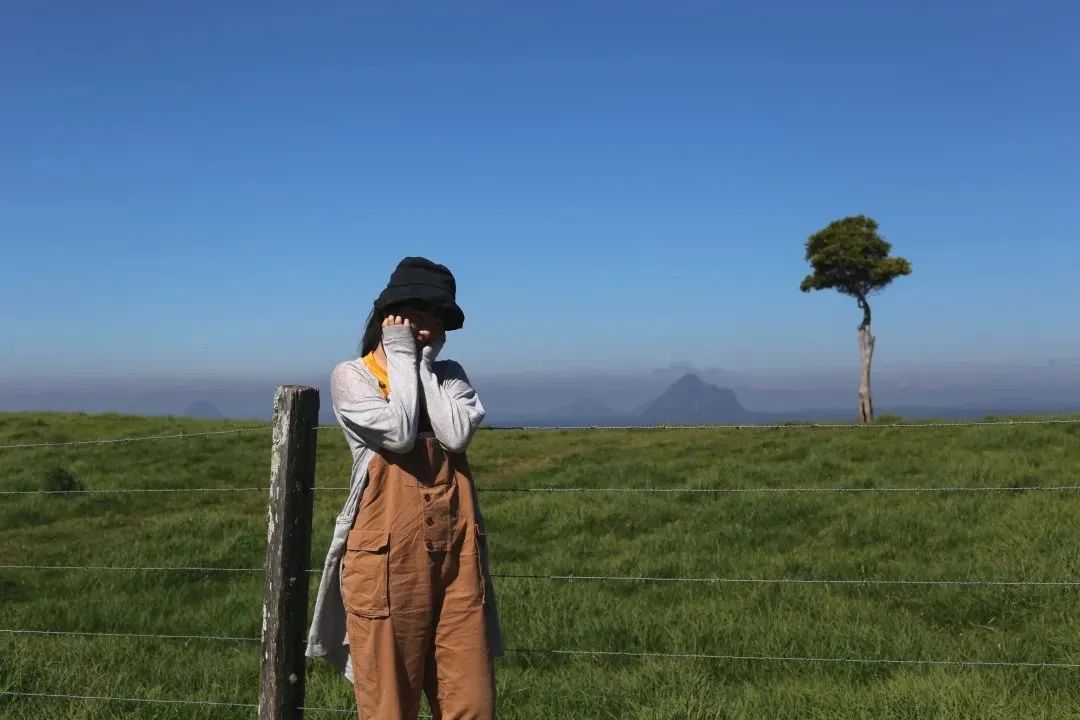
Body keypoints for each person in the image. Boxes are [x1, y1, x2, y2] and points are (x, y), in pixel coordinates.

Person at [306, 257, 502, 720]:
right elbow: (398, 431)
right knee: (390, 704)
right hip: (386, 560)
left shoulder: (450, 374)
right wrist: (399, 356)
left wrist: (424, 367)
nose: (428, 324)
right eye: (418, 312)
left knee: (471, 702)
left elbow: (454, 435)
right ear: (390, 316)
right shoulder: (352, 376)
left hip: (457, 557)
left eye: (438, 316)